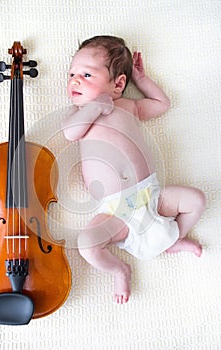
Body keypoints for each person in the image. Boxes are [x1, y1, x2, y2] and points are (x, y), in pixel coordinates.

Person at [62, 35, 206, 304]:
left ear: (118, 84)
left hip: (151, 195)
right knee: (87, 243)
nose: (74, 80)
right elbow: (70, 134)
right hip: (116, 210)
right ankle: (119, 270)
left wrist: (142, 80)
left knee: (196, 199)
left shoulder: (128, 107)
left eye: (86, 74)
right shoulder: (78, 114)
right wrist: (93, 108)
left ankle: (174, 239)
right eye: (71, 73)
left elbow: (162, 104)